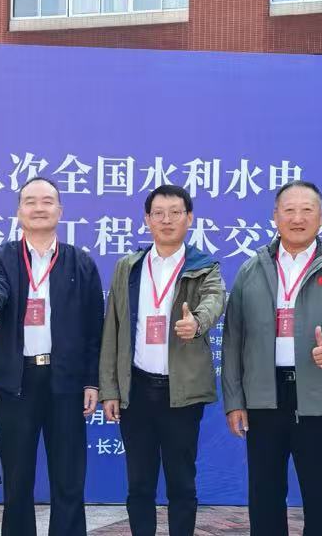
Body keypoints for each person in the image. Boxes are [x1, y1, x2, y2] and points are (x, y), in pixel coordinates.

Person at [221, 180, 322, 536]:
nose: (297, 218)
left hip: (318, 395)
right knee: (265, 495)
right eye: (289, 210)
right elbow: (233, 338)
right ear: (275, 216)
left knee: (320, 496)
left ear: (321, 216)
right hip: (264, 396)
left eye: (307, 210)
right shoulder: (252, 269)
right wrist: (235, 401)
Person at [0, 177, 104, 536]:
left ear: (60, 210)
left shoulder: (80, 262)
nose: (39, 208)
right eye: (30, 201)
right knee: (17, 480)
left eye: (47, 201)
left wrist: (92, 381)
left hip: (66, 382)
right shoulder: (0, 257)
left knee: (69, 478)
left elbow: (95, 328)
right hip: (18, 382)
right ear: (19, 212)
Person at [98, 184, 224, 536]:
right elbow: (113, 329)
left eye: (175, 213)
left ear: (189, 218)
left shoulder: (204, 266)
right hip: (137, 389)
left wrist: (196, 321)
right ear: (147, 219)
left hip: (181, 393)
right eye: (159, 213)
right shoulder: (129, 267)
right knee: (139, 483)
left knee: (181, 482)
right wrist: (110, 389)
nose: (167, 220)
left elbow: (215, 299)